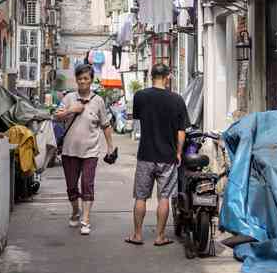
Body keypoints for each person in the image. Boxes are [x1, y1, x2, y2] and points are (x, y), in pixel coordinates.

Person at [125, 63, 190, 246]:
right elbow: (181, 132)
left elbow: (138, 120)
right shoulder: (177, 100)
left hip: (145, 154)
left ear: (151, 76)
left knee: (140, 197)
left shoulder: (140, 96)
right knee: (164, 198)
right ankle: (160, 236)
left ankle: (137, 235)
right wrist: (178, 152)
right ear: (168, 76)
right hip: (167, 157)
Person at [54, 63, 115, 235]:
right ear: (76, 80)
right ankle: (75, 211)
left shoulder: (98, 101)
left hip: (91, 151)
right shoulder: (68, 99)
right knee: (72, 187)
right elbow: (56, 117)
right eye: (80, 79)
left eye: (86, 79)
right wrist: (72, 110)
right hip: (69, 151)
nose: (82, 82)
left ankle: (86, 219)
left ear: (91, 80)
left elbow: (106, 125)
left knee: (87, 184)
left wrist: (110, 147)